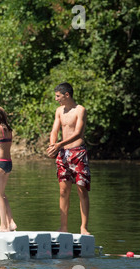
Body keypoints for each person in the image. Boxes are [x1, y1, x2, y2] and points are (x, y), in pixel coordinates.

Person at [47, 82, 90, 235]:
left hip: (78, 152)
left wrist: (59, 144)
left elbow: (78, 133)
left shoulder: (80, 110)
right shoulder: (59, 111)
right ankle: (63, 227)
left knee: (82, 190)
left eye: (58, 96)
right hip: (63, 153)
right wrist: (53, 145)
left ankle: (83, 227)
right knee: (63, 191)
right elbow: (54, 130)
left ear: (67, 95)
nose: (56, 99)